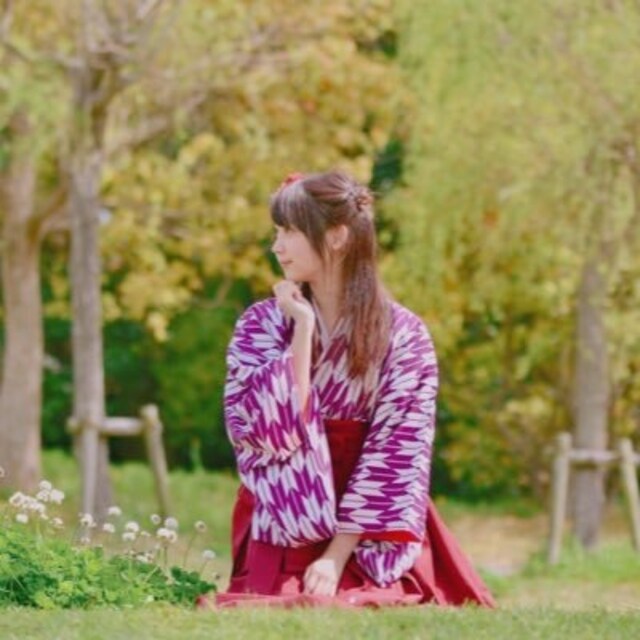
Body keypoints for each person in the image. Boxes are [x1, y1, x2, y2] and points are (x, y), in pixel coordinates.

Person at [202, 170, 495, 608]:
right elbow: (268, 432)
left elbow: (397, 451)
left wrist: (335, 558)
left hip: (370, 524)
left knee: (361, 597)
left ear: (337, 237)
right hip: (287, 507)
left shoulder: (405, 334)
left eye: (289, 231)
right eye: (276, 232)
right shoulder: (261, 323)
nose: (276, 246)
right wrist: (302, 331)